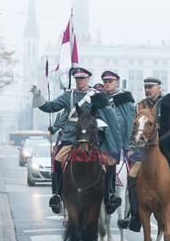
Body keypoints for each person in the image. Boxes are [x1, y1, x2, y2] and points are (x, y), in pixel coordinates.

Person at [30, 67, 123, 214]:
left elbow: (109, 116)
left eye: (82, 78)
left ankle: (109, 196)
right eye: (77, 78)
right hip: (71, 136)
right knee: (58, 160)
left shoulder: (97, 95)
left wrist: (115, 143)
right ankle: (58, 196)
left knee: (110, 162)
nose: (79, 81)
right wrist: (38, 96)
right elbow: (51, 107)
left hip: (93, 138)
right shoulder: (69, 95)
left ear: (88, 79)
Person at [119, 86, 170, 232]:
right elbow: (135, 129)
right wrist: (132, 147)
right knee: (131, 175)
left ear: (159, 88)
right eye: (145, 87)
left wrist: (160, 140)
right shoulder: (141, 105)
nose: (147, 90)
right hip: (145, 149)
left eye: (150, 87)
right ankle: (134, 215)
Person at [101, 70, 136, 210]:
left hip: (124, 146)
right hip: (105, 145)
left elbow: (131, 124)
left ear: (117, 83)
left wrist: (130, 147)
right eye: (105, 82)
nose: (107, 84)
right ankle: (108, 195)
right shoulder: (99, 100)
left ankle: (134, 210)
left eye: (110, 81)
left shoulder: (126, 101)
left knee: (136, 174)